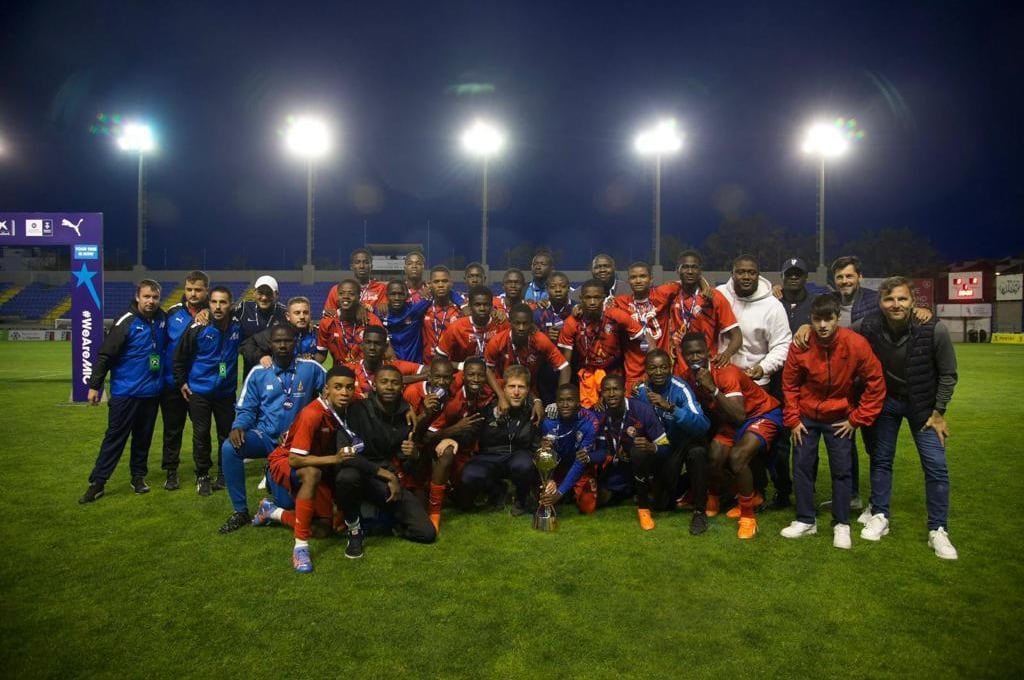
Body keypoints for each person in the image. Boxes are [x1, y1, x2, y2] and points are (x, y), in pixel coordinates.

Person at [854, 277, 960, 559]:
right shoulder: (868, 325)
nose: (896, 304)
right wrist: (806, 327)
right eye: (889, 299)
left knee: (936, 466)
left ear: (913, 301)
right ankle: (880, 515)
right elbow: (838, 335)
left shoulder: (934, 329)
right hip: (887, 403)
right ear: (880, 302)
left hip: (924, 408)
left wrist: (939, 411)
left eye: (902, 298)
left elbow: (948, 374)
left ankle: (938, 529)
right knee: (881, 460)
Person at [780, 294, 885, 549]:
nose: (823, 325)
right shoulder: (801, 344)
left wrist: (857, 418)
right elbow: (790, 384)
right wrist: (793, 419)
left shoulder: (855, 343)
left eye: (828, 319)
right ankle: (806, 520)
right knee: (802, 467)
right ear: (811, 319)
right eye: (817, 319)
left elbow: (875, 381)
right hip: (806, 416)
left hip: (839, 417)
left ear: (838, 318)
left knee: (842, 470)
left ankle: (841, 524)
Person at [218, 325, 327, 533]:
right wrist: (238, 426)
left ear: (295, 343)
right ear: (271, 345)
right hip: (266, 436)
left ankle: (271, 476)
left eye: (287, 341)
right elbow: (246, 408)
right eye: (278, 341)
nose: (283, 345)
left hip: (295, 444)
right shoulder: (258, 372)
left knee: (286, 503)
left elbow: (332, 390)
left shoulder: (310, 368)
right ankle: (240, 511)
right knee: (229, 448)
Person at [676, 332, 783, 539]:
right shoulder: (687, 376)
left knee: (737, 457)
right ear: (683, 355)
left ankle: (748, 516)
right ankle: (728, 494)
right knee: (712, 459)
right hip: (730, 421)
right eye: (690, 354)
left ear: (708, 352)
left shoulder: (726, 372)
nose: (695, 357)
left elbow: (739, 415)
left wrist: (713, 389)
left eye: (699, 352)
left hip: (760, 413)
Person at [254, 365, 359, 572]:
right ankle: (300, 547)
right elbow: (295, 459)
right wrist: (335, 459)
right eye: (338, 387)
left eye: (349, 388)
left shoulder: (348, 406)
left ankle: (272, 512)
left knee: (323, 530)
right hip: (286, 460)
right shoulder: (312, 413)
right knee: (312, 474)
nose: (344, 393)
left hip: (318, 460)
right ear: (326, 389)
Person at [333, 364, 437, 558]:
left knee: (426, 532)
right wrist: (387, 475)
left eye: (395, 383)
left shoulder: (405, 418)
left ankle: (385, 524)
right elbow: (346, 455)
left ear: (401, 387)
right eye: (384, 382)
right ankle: (354, 531)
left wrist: (413, 455)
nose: (389, 387)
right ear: (374, 385)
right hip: (361, 472)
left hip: (384, 480)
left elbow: (406, 465)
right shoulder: (356, 409)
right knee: (347, 477)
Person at [79, 280, 168, 503]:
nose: (151, 301)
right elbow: (106, 354)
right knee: (115, 438)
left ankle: (138, 477)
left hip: (151, 393)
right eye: (146, 297)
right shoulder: (126, 321)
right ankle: (98, 482)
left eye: (155, 297)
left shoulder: (162, 319)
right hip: (125, 393)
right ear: (137, 297)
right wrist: (94, 386)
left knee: (143, 440)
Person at [717, 254, 792, 509]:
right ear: (732, 273)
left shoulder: (772, 306)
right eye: (741, 272)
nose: (746, 276)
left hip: (756, 384)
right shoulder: (720, 295)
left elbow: (782, 345)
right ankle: (729, 492)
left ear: (758, 275)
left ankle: (757, 492)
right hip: (723, 382)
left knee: (754, 446)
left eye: (751, 272)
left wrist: (762, 368)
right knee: (721, 441)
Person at [633, 349, 712, 535]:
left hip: (686, 443)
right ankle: (682, 486)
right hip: (664, 447)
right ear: (646, 370)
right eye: (653, 368)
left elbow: (703, 425)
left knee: (697, 453)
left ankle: (700, 511)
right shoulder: (642, 392)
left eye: (663, 367)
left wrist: (670, 408)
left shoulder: (681, 388)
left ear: (670, 368)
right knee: (662, 505)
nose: (658, 372)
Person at [173, 286, 241, 495]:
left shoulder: (238, 326)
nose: (218, 307)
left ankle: (224, 472)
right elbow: (179, 356)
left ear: (230, 305)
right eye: (214, 302)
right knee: (201, 434)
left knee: (226, 435)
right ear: (208, 304)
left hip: (225, 392)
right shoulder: (198, 327)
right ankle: (202, 475)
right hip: (199, 392)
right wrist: (181, 382)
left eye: (223, 302)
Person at [592, 374, 670, 530]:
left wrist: (652, 447)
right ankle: (625, 491)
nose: (611, 394)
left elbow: (666, 447)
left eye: (616, 389)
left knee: (638, 451)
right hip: (617, 469)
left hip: (643, 466)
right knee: (592, 503)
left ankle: (643, 508)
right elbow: (599, 449)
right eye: (607, 390)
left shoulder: (642, 410)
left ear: (624, 391)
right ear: (601, 393)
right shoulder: (598, 414)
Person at [461, 365, 541, 518]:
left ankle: (521, 499)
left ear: (528, 390)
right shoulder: (487, 407)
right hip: (490, 457)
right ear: (503, 389)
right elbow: (469, 435)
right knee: (470, 475)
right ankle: (497, 491)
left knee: (524, 464)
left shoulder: (534, 410)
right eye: (511, 387)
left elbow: (537, 445)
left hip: (518, 456)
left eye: (521, 387)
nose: (516, 392)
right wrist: (450, 439)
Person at [557, 279, 643, 408]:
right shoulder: (572, 322)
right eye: (588, 298)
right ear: (581, 298)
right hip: (587, 376)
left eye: (597, 297)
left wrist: (646, 375)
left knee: (615, 410)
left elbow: (644, 336)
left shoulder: (616, 315)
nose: (592, 302)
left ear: (603, 298)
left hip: (614, 374)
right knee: (590, 414)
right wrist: (561, 397)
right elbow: (565, 365)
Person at [160, 270, 209, 491]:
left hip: (199, 384)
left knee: (201, 431)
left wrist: (209, 312)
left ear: (206, 290)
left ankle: (203, 472)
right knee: (172, 430)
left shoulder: (214, 314)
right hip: (173, 384)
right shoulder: (172, 313)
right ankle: (171, 471)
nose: (193, 293)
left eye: (198, 290)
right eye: (189, 289)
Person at [667, 250, 742, 371]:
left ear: (700, 271)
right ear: (677, 270)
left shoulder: (714, 297)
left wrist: (726, 354)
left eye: (694, 267)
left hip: (707, 366)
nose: (690, 271)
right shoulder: (670, 296)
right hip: (678, 368)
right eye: (685, 267)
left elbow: (736, 335)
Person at [537, 383, 603, 514]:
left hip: (580, 467)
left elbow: (580, 462)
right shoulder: (549, 422)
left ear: (578, 402)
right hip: (559, 466)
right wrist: (550, 479)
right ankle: (567, 490)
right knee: (542, 496)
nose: (565, 405)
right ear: (556, 403)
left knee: (587, 506)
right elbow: (548, 457)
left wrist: (559, 493)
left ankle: (571, 491)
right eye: (561, 401)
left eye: (570, 400)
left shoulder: (590, 422)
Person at [612, 261, 673, 392]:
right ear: (628, 281)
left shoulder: (662, 294)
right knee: (636, 404)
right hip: (633, 372)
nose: (638, 280)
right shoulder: (619, 302)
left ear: (651, 279)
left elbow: (687, 278)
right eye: (633, 277)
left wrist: (703, 284)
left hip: (660, 370)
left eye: (643, 276)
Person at [485, 303, 570, 391]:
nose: (521, 328)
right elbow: (488, 371)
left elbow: (565, 367)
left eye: (525, 323)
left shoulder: (540, 340)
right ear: (510, 322)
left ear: (531, 323)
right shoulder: (497, 342)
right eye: (517, 323)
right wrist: (500, 396)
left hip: (530, 389)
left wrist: (562, 395)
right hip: (503, 388)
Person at [241, 296, 319, 372]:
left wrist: (312, 359)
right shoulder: (278, 333)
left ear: (310, 315)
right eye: (297, 313)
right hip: (281, 378)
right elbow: (246, 344)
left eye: (305, 313)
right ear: (288, 316)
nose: (302, 317)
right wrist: (261, 357)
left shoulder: (317, 333)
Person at [345, 325, 425, 397]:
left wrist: (400, 380)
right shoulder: (349, 369)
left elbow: (430, 372)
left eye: (377, 343)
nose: (372, 347)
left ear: (385, 347)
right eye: (368, 343)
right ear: (362, 346)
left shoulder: (394, 366)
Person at [436, 285, 509, 364]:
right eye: (477, 305)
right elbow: (439, 359)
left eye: (486, 304)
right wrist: (460, 366)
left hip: (493, 369)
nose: (482, 308)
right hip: (463, 371)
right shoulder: (456, 327)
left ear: (491, 306)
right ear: (470, 306)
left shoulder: (500, 323)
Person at [316, 279, 381, 366]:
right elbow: (321, 354)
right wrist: (306, 363)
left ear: (359, 297)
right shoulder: (327, 322)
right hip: (340, 371)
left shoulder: (371, 320)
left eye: (351, 294)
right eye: (341, 293)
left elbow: (385, 352)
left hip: (364, 371)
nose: (345, 296)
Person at [533, 271, 575, 404]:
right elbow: (531, 340)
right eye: (553, 287)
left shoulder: (577, 309)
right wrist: (545, 337)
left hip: (573, 366)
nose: (558, 290)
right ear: (546, 289)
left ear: (568, 287)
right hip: (545, 369)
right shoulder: (538, 313)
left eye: (562, 286)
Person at [235, 275, 288, 377]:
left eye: (268, 294)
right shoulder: (244, 308)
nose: (264, 298)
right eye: (260, 293)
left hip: (276, 372)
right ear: (254, 293)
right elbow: (222, 315)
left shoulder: (284, 313)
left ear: (276, 295)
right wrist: (205, 311)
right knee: (223, 376)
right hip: (250, 372)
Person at [322, 248, 388, 315]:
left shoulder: (381, 288)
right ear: (351, 267)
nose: (361, 266)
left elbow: (384, 314)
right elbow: (328, 315)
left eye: (366, 262)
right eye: (357, 262)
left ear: (371, 266)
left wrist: (373, 310)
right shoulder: (337, 289)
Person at [380, 279, 432, 362]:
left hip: (414, 365)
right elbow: (365, 311)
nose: (397, 298)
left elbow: (432, 296)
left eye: (401, 294)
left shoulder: (415, 310)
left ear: (407, 296)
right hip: (391, 365)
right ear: (387, 296)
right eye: (393, 294)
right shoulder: (380, 313)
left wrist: (429, 293)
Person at [422, 265, 464, 364]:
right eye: (436, 282)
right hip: (428, 365)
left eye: (444, 281)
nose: (440, 285)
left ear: (451, 283)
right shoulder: (423, 308)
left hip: (453, 363)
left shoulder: (460, 309)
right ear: (430, 284)